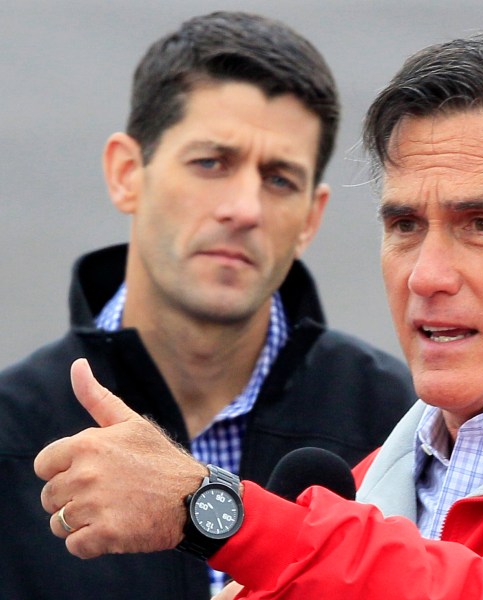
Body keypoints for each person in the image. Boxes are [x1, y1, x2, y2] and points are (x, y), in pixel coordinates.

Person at [34, 26, 483, 599]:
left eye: (481, 224)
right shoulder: (357, 491)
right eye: (405, 226)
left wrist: (215, 512)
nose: (427, 274)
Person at [0, 11, 415, 600]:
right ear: (126, 174)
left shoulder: (402, 428)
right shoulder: (11, 431)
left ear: (310, 217)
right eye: (211, 163)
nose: (244, 208)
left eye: (279, 179)